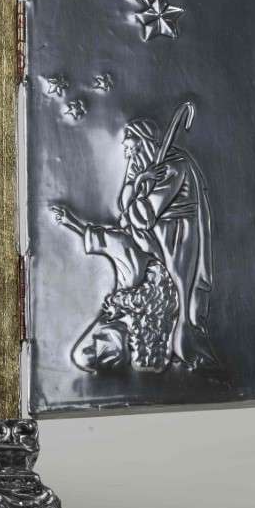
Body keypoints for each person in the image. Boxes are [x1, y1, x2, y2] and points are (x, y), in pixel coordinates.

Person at [51, 116, 219, 373]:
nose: (126, 148)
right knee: (152, 285)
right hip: (152, 237)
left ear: (143, 141)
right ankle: (152, 342)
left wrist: (139, 192)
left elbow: (143, 214)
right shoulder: (144, 166)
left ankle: (184, 347)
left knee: (178, 290)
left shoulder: (175, 166)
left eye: (130, 142)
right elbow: (124, 204)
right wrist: (140, 180)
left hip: (175, 236)